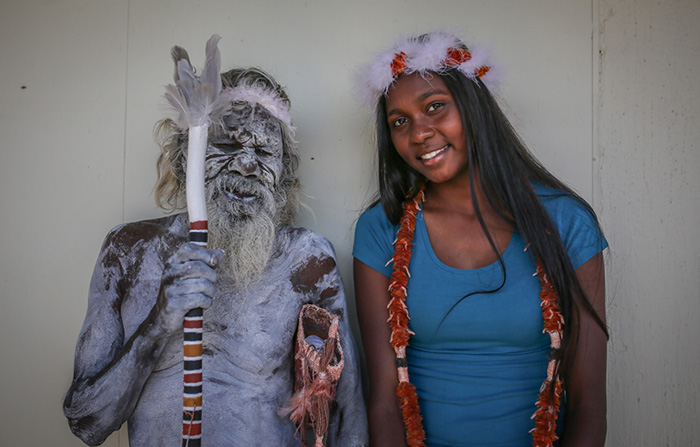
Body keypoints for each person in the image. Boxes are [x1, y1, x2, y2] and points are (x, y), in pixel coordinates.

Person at [63, 66, 367, 446]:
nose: (247, 164)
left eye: (263, 151)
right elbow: (86, 423)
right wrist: (159, 321)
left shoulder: (305, 260)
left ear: (284, 172)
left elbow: (346, 419)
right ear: (184, 157)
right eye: (225, 145)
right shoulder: (130, 250)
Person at [353, 31, 608, 447]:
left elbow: (588, 403)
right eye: (400, 121)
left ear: (474, 108)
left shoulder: (566, 222)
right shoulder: (382, 228)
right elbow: (382, 401)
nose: (418, 133)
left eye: (435, 107)